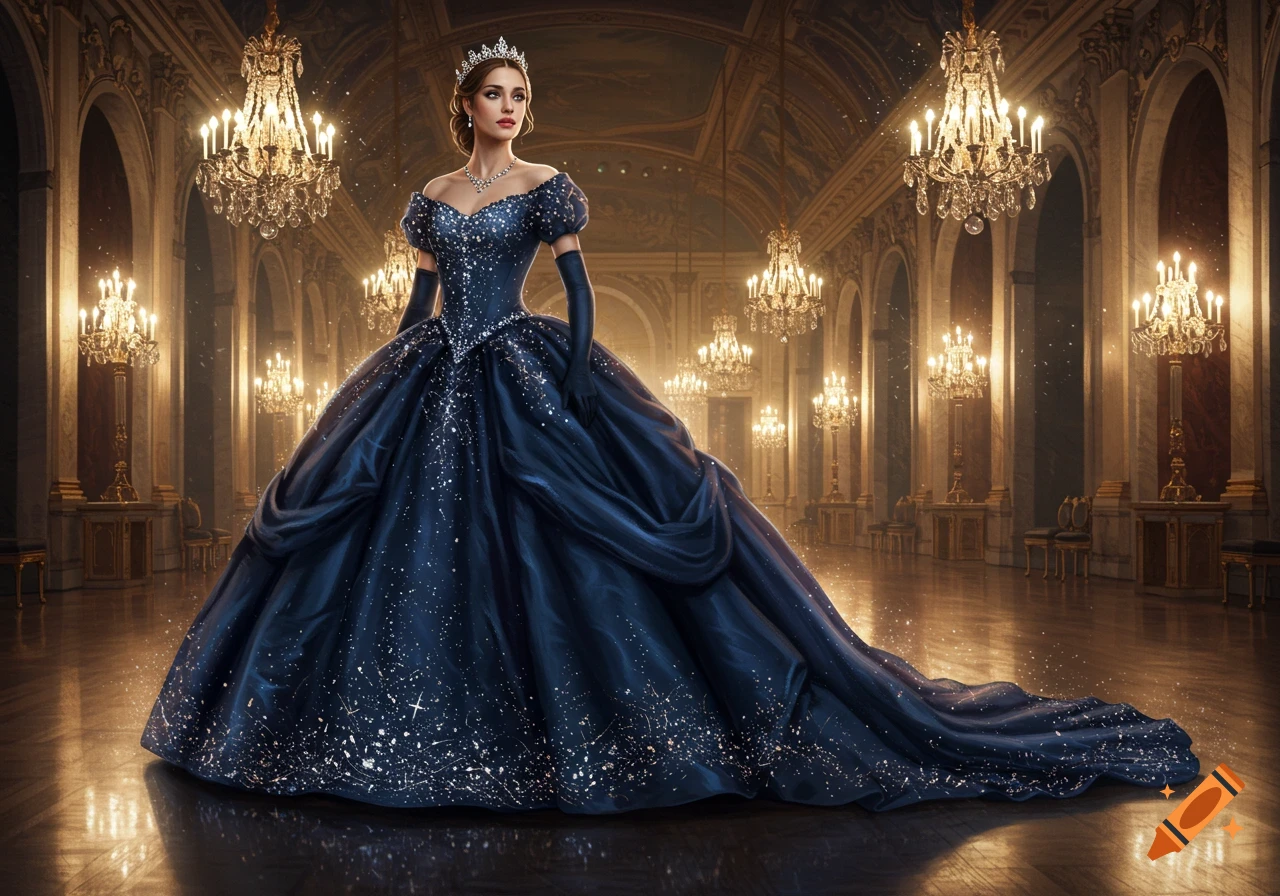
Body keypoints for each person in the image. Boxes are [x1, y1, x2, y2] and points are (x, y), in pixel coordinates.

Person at [142, 38, 1198, 813]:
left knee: (566, 536)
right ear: (464, 105)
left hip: (522, 354)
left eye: (520, 94)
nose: (508, 108)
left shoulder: (548, 188)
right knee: (388, 543)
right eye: (493, 95)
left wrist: (572, 369)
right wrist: (383, 369)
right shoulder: (426, 199)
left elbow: (578, 291)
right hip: (429, 369)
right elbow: (419, 303)